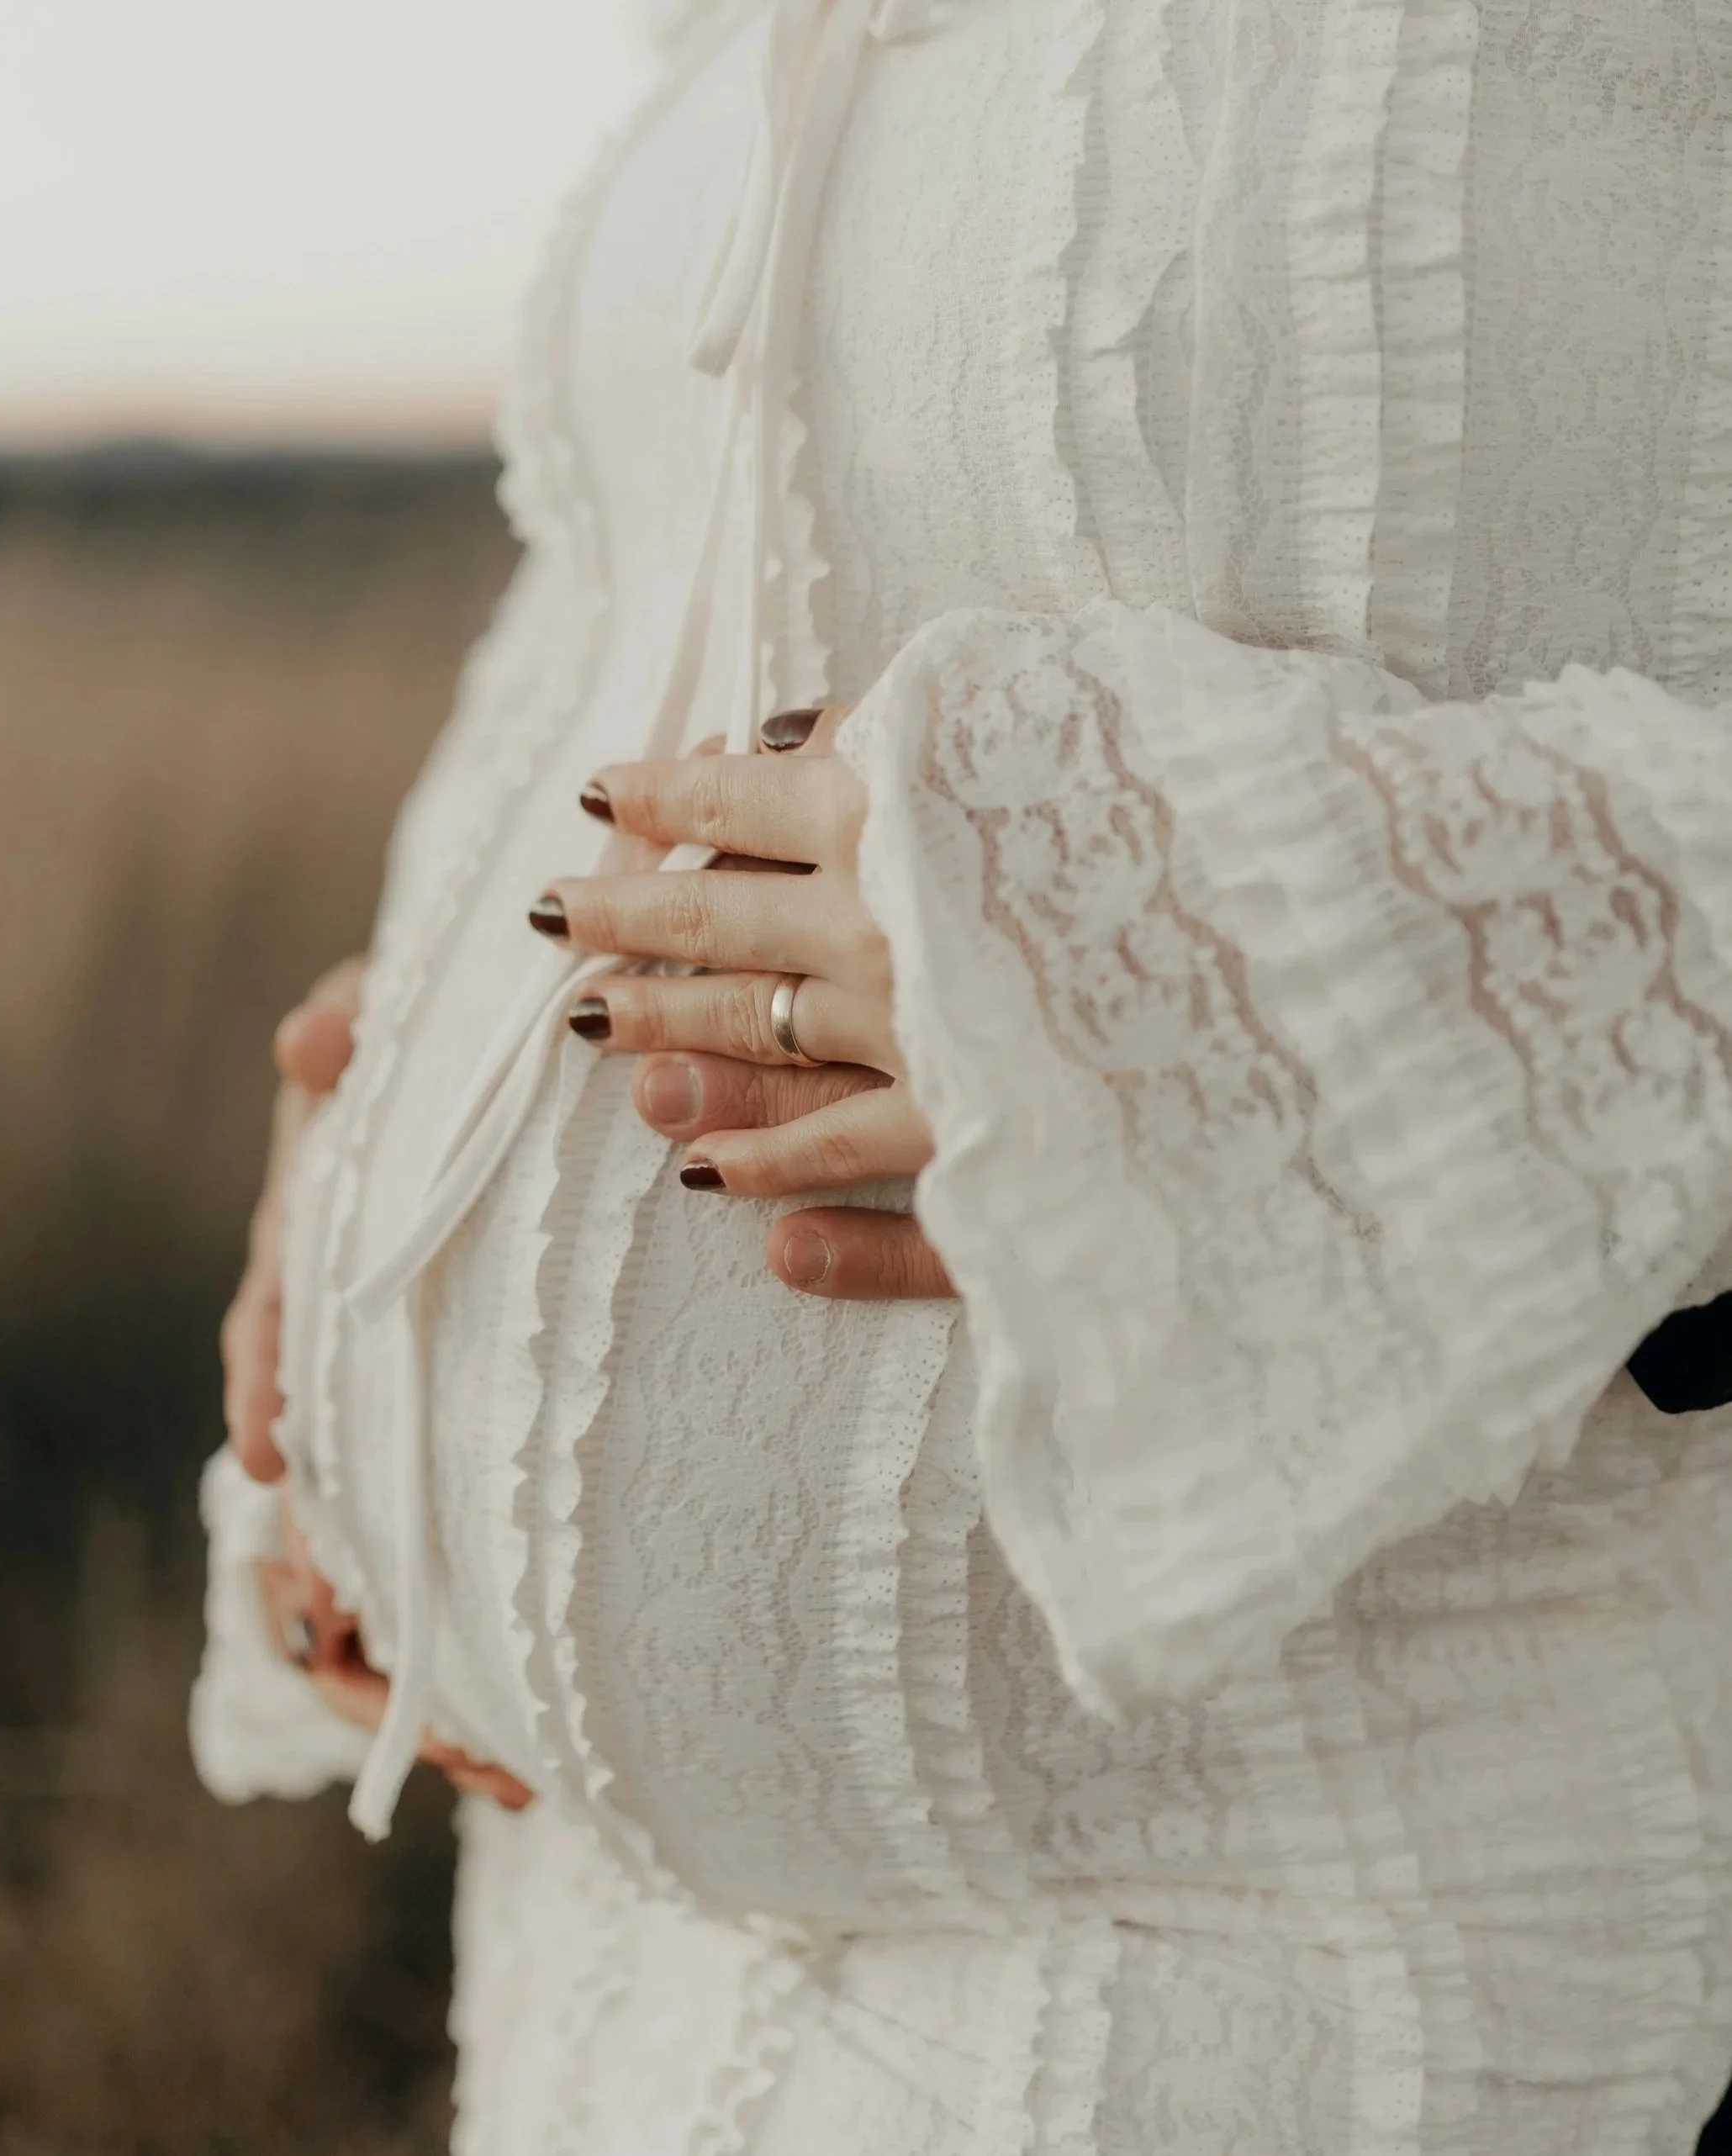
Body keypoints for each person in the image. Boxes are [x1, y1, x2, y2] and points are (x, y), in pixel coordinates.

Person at [194, 0, 1732, 2147]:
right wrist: (384, 1151)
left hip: (1372, 1966)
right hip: (621, 1995)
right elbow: (625, 577)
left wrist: (1287, 938)